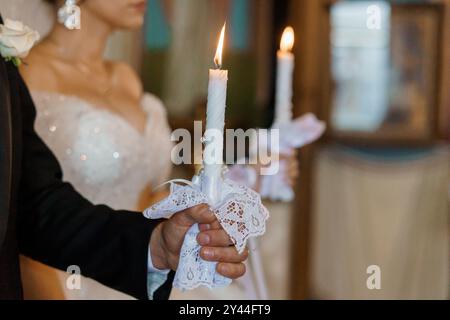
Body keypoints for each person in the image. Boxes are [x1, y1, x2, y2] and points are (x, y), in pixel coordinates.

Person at [19, 0, 298, 299]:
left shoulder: (126, 77)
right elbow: (26, 212)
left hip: (144, 261)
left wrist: (243, 179)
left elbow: (150, 199)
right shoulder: (28, 75)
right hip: (70, 279)